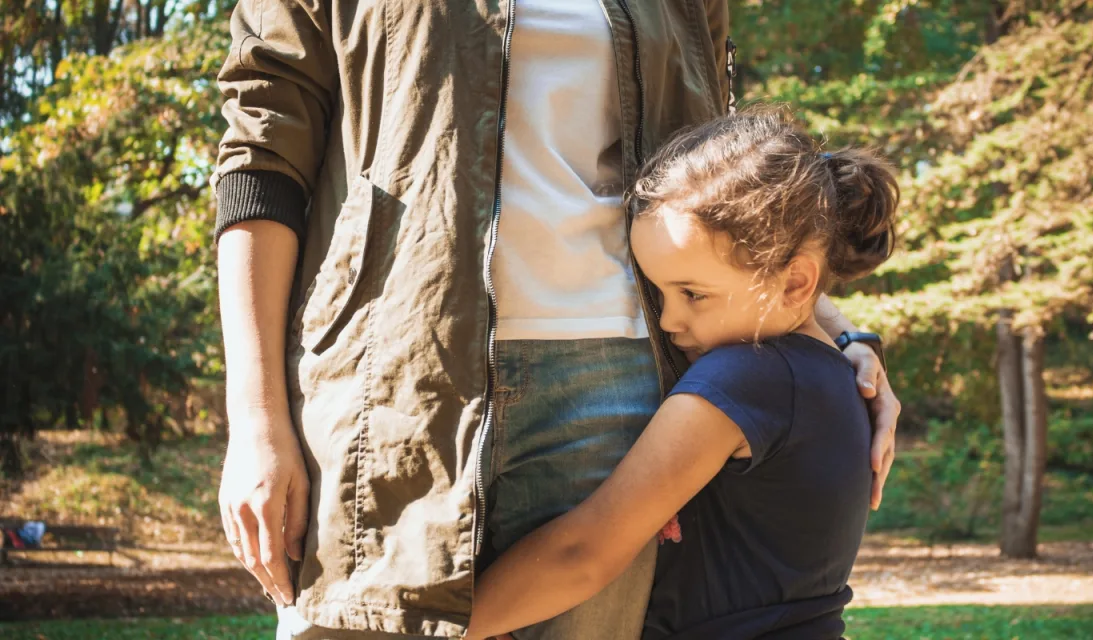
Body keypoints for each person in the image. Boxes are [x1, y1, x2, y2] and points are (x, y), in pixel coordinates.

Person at [211, 2, 902, 638]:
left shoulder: (734, 380)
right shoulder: (738, 376)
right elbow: (262, 148)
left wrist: (835, 333)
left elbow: (735, 199)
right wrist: (254, 417)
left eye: (689, 297)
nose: (679, 314)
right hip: (391, 384)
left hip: (623, 392)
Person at [465, 107, 896, 640]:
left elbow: (584, 553)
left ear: (794, 284)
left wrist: (450, 627)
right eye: (659, 292)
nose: (669, 321)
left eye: (693, 294)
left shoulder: (746, 377)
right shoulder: (825, 374)